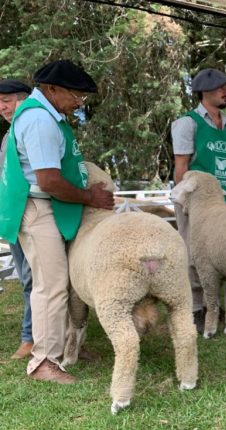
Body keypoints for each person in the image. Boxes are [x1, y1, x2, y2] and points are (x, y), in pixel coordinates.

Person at [0, 60, 114, 383]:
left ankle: (65, 347)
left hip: (46, 207)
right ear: (52, 89)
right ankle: (43, 362)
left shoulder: (48, 114)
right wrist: (90, 198)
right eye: (76, 95)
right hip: (38, 208)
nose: (79, 102)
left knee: (58, 283)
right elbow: (49, 180)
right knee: (50, 286)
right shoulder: (39, 120)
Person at [171, 68, 226, 332]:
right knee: (194, 255)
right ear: (204, 92)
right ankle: (196, 308)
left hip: (221, 202)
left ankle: (220, 305)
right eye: (220, 88)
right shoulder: (188, 123)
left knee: (222, 252)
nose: (225, 92)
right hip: (194, 201)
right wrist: (184, 202)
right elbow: (181, 166)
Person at [0, 79, 34, 360]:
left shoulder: (31, 129)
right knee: (27, 277)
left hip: (36, 214)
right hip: (15, 216)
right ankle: (30, 337)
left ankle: (32, 337)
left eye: (8, 100)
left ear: (24, 99)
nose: (2, 106)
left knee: (37, 279)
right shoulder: (7, 137)